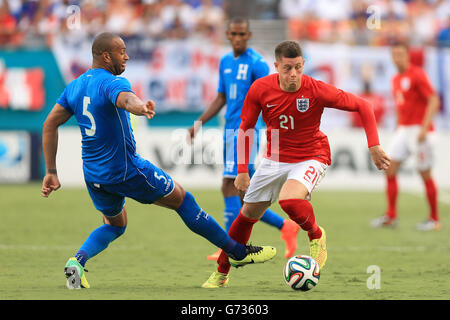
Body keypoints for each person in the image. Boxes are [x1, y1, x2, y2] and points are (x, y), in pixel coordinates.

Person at [40, 32, 276, 290]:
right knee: (183, 200)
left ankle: (77, 261)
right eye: (121, 52)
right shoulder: (110, 83)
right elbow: (125, 99)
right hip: (126, 170)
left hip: (95, 176)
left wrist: (51, 170)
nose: (127, 56)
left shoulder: (74, 86)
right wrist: (140, 107)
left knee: (115, 225)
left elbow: (50, 123)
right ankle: (237, 252)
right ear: (106, 56)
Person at [202, 40, 391, 288]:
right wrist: (241, 171)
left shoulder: (316, 89)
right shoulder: (260, 89)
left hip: (312, 155)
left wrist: (374, 145)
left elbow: (362, 105)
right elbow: (245, 129)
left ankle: (316, 234)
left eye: (298, 68)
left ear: (303, 65)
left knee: (289, 200)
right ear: (276, 66)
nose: (293, 74)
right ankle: (222, 272)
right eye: (288, 68)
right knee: (246, 216)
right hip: (274, 158)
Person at [187, 17, 300, 262]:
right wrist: (198, 123)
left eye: (242, 34)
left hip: (246, 132)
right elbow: (221, 97)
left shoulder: (258, 63)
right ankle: (285, 227)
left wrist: (276, 130)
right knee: (243, 194)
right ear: (228, 34)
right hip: (230, 131)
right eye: (234, 34)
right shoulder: (225, 61)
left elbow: (272, 97)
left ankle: (229, 246)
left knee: (229, 185)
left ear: (248, 36)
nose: (238, 38)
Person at [370, 42, 441, 231]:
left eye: (400, 54)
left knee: (424, 173)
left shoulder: (417, 74)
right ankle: (391, 216)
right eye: (394, 54)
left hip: (419, 130)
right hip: (404, 129)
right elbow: (402, 107)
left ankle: (434, 219)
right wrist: (397, 127)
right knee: (389, 167)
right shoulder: (395, 79)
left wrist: (425, 128)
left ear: (407, 56)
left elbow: (433, 99)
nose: (397, 58)